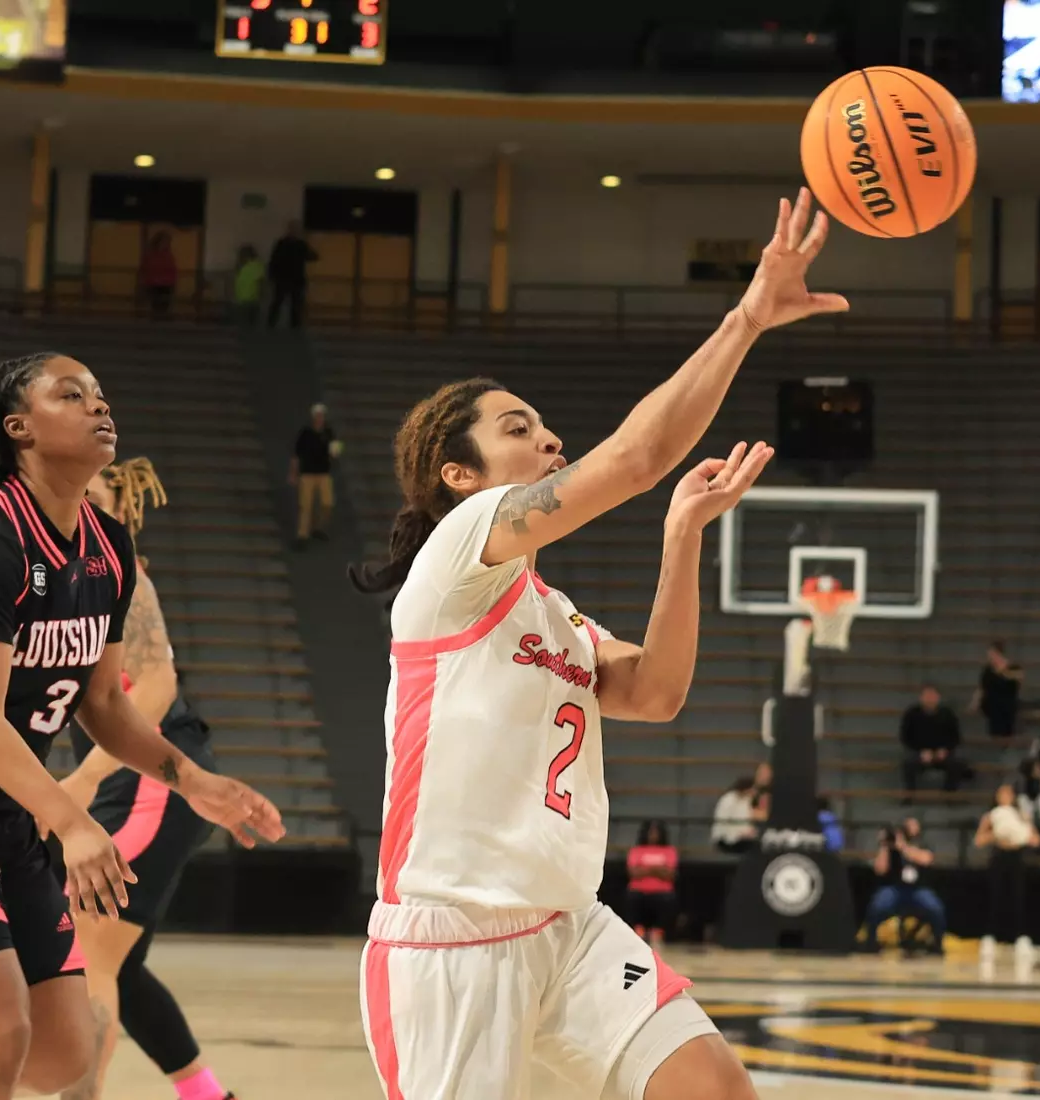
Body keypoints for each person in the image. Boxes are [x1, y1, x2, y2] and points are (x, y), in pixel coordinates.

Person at [347, 190, 844, 1099]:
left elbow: (655, 693)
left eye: (544, 426)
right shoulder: (457, 554)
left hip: (568, 924)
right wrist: (746, 318)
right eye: (517, 429)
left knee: (718, 1091)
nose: (548, 439)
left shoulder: (555, 614)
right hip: (452, 939)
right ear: (459, 476)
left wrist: (682, 537)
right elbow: (633, 460)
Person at [0, 352, 285, 1100]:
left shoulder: (110, 547)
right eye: (71, 395)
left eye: (100, 393)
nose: (100, 406)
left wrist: (195, 782)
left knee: (63, 1053)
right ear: (19, 428)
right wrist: (72, 820)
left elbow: (103, 704)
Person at [56, 458, 240, 1100]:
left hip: (148, 783)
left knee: (86, 953)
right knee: (122, 965)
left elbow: (158, 685)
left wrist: (85, 778)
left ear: (120, 513)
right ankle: (207, 1094)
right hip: (136, 783)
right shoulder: (61, 581)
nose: (80, 503)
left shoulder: (116, 573)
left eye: (95, 495)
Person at [974, 783, 1040, 954]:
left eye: (1008, 793)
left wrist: (1022, 833)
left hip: (1016, 858)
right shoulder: (991, 816)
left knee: (1018, 897)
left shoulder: (1020, 815)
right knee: (995, 897)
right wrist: (995, 833)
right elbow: (978, 840)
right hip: (999, 857)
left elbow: (1036, 839)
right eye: (1001, 793)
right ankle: (990, 936)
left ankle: (1021, 937)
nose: (1004, 796)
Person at [863, 819, 944, 954]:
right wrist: (884, 845)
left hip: (918, 889)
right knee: (877, 905)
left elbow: (926, 859)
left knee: (935, 908)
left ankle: (937, 943)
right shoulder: (892, 847)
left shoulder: (922, 844)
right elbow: (880, 869)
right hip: (896, 888)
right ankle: (870, 941)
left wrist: (903, 847)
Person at [899, 684, 963, 800]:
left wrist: (945, 750)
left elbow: (955, 737)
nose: (930, 699)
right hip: (920, 753)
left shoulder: (947, 714)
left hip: (942, 753)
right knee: (908, 764)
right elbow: (905, 737)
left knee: (956, 764)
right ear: (921, 698)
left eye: (933, 696)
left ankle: (949, 796)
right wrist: (920, 751)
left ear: (938, 697)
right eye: (927, 696)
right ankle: (910, 795)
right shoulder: (912, 714)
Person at [622, 821, 678, 947]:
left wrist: (645, 869)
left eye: (656, 832)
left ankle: (657, 932)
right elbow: (633, 873)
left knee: (669, 900)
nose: (653, 835)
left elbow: (670, 874)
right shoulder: (636, 850)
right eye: (651, 832)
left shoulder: (669, 851)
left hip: (663, 892)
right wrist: (658, 869)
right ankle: (638, 930)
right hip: (638, 890)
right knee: (631, 898)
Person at [290, 403, 339, 548]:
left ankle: (317, 527)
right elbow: (296, 455)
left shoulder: (329, 432)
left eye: (322, 416)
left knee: (327, 504)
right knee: (305, 505)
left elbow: (336, 449)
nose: (320, 418)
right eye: (317, 416)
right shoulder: (305, 433)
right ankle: (302, 535)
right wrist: (293, 473)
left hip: (324, 473)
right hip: (307, 474)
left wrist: (335, 451)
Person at [972, 640, 1024, 746]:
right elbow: (982, 688)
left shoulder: (1013, 668)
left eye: (992, 654)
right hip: (992, 705)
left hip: (1008, 704)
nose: (990, 657)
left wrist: (1002, 671)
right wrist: (974, 703)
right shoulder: (987, 670)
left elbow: (1019, 679)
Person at [266, 221, 316, 329]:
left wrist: (272, 275)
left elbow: (274, 261)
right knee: (284, 303)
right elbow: (274, 260)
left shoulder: (290, 244)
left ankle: (280, 324)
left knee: (289, 303)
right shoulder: (295, 244)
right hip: (289, 278)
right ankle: (282, 324)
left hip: (289, 278)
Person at [710, 776, 758, 854]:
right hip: (726, 839)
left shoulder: (747, 800)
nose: (754, 791)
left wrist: (749, 831)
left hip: (742, 838)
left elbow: (746, 820)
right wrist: (738, 834)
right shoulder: (728, 800)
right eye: (752, 788)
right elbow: (723, 822)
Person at [139, 231, 178, 319]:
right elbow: (144, 269)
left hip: (166, 285)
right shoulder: (151, 254)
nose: (166, 244)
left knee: (164, 307)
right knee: (155, 307)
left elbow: (173, 270)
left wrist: (173, 283)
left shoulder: (168, 255)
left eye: (167, 242)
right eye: (164, 241)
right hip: (154, 285)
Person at [230, 244, 264, 324]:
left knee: (244, 323)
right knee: (251, 322)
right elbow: (261, 282)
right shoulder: (257, 265)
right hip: (252, 298)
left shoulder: (240, 266)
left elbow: (236, 282)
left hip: (243, 298)